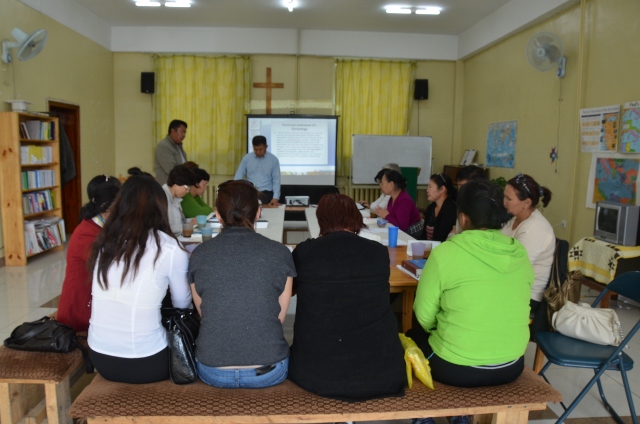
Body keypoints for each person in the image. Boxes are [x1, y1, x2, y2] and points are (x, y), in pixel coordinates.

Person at [407, 180, 533, 424]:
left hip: (456, 367)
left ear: (463, 219)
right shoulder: (519, 252)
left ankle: (423, 417)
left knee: (411, 337)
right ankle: (460, 416)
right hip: (511, 364)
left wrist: (441, 330)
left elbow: (423, 314)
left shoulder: (446, 253)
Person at [289, 193, 406, 401]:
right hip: (382, 373)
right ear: (355, 218)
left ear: (321, 220)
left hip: (316, 373)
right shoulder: (378, 252)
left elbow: (291, 291)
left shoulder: (305, 252)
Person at [188, 180, 295, 389]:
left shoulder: (199, 254)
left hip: (212, 370)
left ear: (218, 214)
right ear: (258, 213)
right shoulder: (280, 253)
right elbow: (279, 317)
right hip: (269, 370)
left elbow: (204, 312)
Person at [87, 175, 193, 384]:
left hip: (100, 358)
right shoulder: (169, 249)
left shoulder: (104, 242)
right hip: (146, 361)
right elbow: (183, 305)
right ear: (160, 207)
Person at [56, 175, 121, 332]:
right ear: (107, 209)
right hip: (78, 311)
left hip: (93, 300)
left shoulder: (100, 226)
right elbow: (111, 267)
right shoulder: (87, 234)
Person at [501, 173, 555, 313]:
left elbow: (515, 267)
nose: (504, 202)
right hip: (511, 285)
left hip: (528, 296)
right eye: (504, 196)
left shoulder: (535, 228)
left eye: (509, 199)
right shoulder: (515, 219)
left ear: (527, 203)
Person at [234, 135, 281, 206]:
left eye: (260, 149)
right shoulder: (247, 158)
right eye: (255, 149)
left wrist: (275, 197)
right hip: (250, 193)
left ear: (266, 147)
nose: (258, 152)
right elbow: (238, 177)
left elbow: (276, 180)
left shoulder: (273, 160)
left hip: (266, 194)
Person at [420, 173, 457, 242]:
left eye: (430, 187)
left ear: (442, 189)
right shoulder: (430, 208)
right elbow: (424, 236)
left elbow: (442, 240)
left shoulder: (451, 210)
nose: (427, 190)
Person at [162, 164, 197, 235]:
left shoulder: (175, 198)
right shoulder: (162, 198)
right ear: (176, 184)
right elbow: (164, 228)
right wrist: (188, 226)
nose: (187, 192)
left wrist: (191, 221)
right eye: (186, 188)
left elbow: (179, 221)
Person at [154, 119, 188, 185]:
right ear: (173, 131)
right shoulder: (163, 146)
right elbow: (171, 170)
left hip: (178, 187)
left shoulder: (178, 146)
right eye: (182, 132)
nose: (184, 135)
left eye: (185, 132)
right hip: (167, 189)